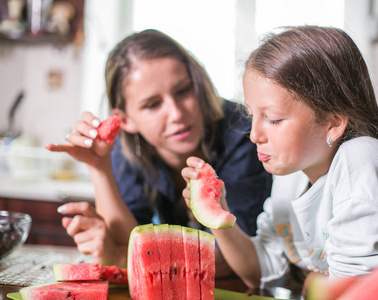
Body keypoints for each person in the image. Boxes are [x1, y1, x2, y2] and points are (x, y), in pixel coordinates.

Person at [181, 25, 378, 289]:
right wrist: (217, 213)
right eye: (252, 116)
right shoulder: (293, 174)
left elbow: (362, 290)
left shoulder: (361, 159)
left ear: (333, 123)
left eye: (273, 119)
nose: (254, 135)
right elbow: (260, 273)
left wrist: (314, 283)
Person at [46, 29, 272, 276]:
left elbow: (233, 258)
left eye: (183, 91)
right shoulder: (125, 145)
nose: (176, 114)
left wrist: (121, 256)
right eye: (152, 104)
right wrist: (99, 167)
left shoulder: (243, 134)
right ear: (125, 120)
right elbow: (129, 241)